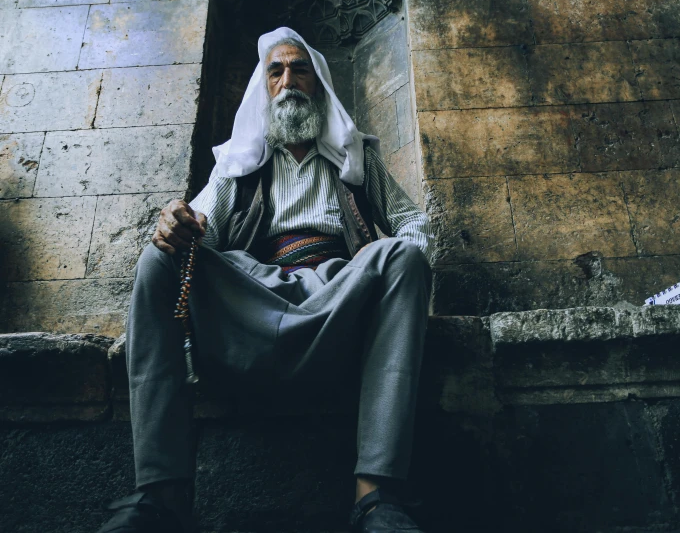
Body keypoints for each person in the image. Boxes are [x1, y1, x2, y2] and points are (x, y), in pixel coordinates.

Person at [98, 27, 433, 533]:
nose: (288, 80)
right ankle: (160, 494)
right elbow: (200, 239)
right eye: (275, 71)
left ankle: (376, 496)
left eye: (300, 69)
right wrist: (178, 225)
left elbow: (413, 224)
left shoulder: (356, 157)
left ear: (318, 83)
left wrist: (382, 258)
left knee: (402, 258)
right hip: (252, 294)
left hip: (335, 296)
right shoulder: (239, 165)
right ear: (264, 87)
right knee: (158, 257)